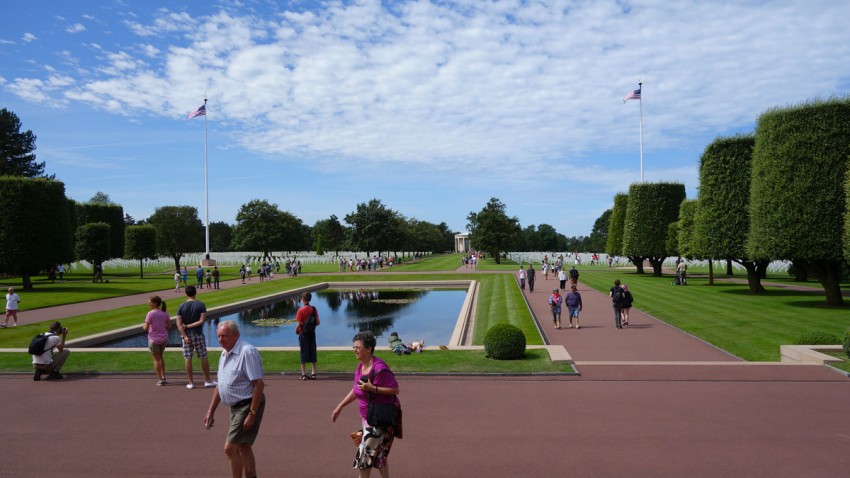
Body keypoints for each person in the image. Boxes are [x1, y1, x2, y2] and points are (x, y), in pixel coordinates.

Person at [332, 331, 401, 477]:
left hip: (379, 421)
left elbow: (395, 389)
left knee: (364, 458)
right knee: (380, 455)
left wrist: (373, 388)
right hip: (367, 419)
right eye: (354, 347)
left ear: (369, 349)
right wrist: (340, 406)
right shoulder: (360, 366)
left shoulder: (379, 368)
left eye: (358, 347)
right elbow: (356, 390)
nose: (355, 350)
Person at [204, 321, 266, 478]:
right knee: (243, 446)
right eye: (218, 336)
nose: (220, 339)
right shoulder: (224, 354)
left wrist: (252, 413)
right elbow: (221, 384)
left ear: (235, 335)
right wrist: (211, 410)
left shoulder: (247, 352)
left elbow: (258, 384)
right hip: (235, 407)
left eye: (223, 336)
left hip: (248, 404)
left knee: (229, 448)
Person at [175, 285, 216, 389]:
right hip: (197, 334)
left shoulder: (181, 306)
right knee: (203, 356)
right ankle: (207, 380)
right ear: (195, 292)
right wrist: (189, 326)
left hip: (186, 335)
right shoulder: (201, 304)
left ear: (186, 293)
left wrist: (184, 336)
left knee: (188, 357)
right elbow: (201, 321)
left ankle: (191, 382)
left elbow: (179, 324)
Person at [144, 295, 171, 385]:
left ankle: (160, 379)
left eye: (149, 302)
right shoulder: (165, 313)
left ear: (155, 303)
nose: (148, 304)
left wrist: (143, 326)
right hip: (163, 338)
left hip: (153, 339)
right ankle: (163, 376)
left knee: (156, 359)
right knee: (161, 357)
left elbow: (145, 327)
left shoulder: (150, 313)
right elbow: (169, 326)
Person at [295, 291, 320, 380]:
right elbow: (318, 322)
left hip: (303, 333)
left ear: (303, 299)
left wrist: (296, 330)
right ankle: (314, 373)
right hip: (312, 333)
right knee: (313, 351)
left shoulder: (300, 310)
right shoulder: (313, 309)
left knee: (303, 352)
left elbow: (299, 324)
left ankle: (303, 374)